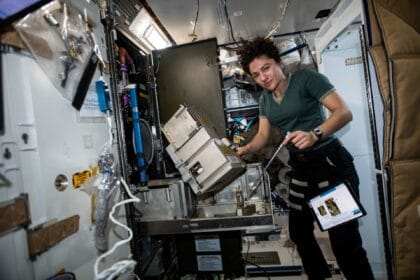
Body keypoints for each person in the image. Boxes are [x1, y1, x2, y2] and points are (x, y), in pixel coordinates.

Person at [236, 37, 374, 280]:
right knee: (299, 233)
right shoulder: (266, 100)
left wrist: (314, 134)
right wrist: (245, 149)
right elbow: (263, 136)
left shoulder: (307, 80)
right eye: (256, 75)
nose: (263, 77)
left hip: (329, 164)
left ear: (278, 63)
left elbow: (343, 112)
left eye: (266, 68)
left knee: (343, 241)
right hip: (301, 168)